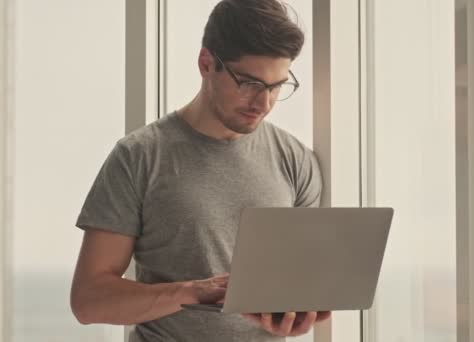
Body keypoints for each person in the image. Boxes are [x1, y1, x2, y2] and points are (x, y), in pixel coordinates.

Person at [70, 0, 330, 340]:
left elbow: (294, 288)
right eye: (249, 83)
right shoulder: (138, 157)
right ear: (206, 64)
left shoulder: (296, 160)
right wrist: (192, 292)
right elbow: (89, 301)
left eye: (276, 86)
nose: (263, 103)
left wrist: (295, 316)